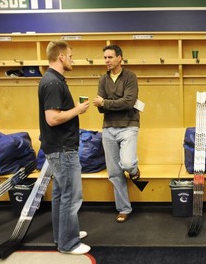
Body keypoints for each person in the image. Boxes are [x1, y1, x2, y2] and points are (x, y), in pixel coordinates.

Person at [38, 40, 90, 255]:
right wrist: (77, 109)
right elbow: (52, 118)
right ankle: (68, 243)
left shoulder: (53, 80)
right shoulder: (53, 83)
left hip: (57, 147)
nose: (72, 59)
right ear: (60, 57)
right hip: (62, 148)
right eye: (70, 56)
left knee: (61, 194)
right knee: (71, 196)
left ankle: (63, 235)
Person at [93, 44, 140, 223]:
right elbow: (99, 109)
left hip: (129, 125)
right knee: (114, 172)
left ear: (120, 57)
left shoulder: (130, 77)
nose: (107, 61)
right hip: (108, 128)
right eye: (105, 58)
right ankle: (124, 209)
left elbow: (128, 102)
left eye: (110, 57)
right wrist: (106, 104)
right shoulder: (102, 80)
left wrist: (105, 103)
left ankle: (134, 171)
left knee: (127, 163)